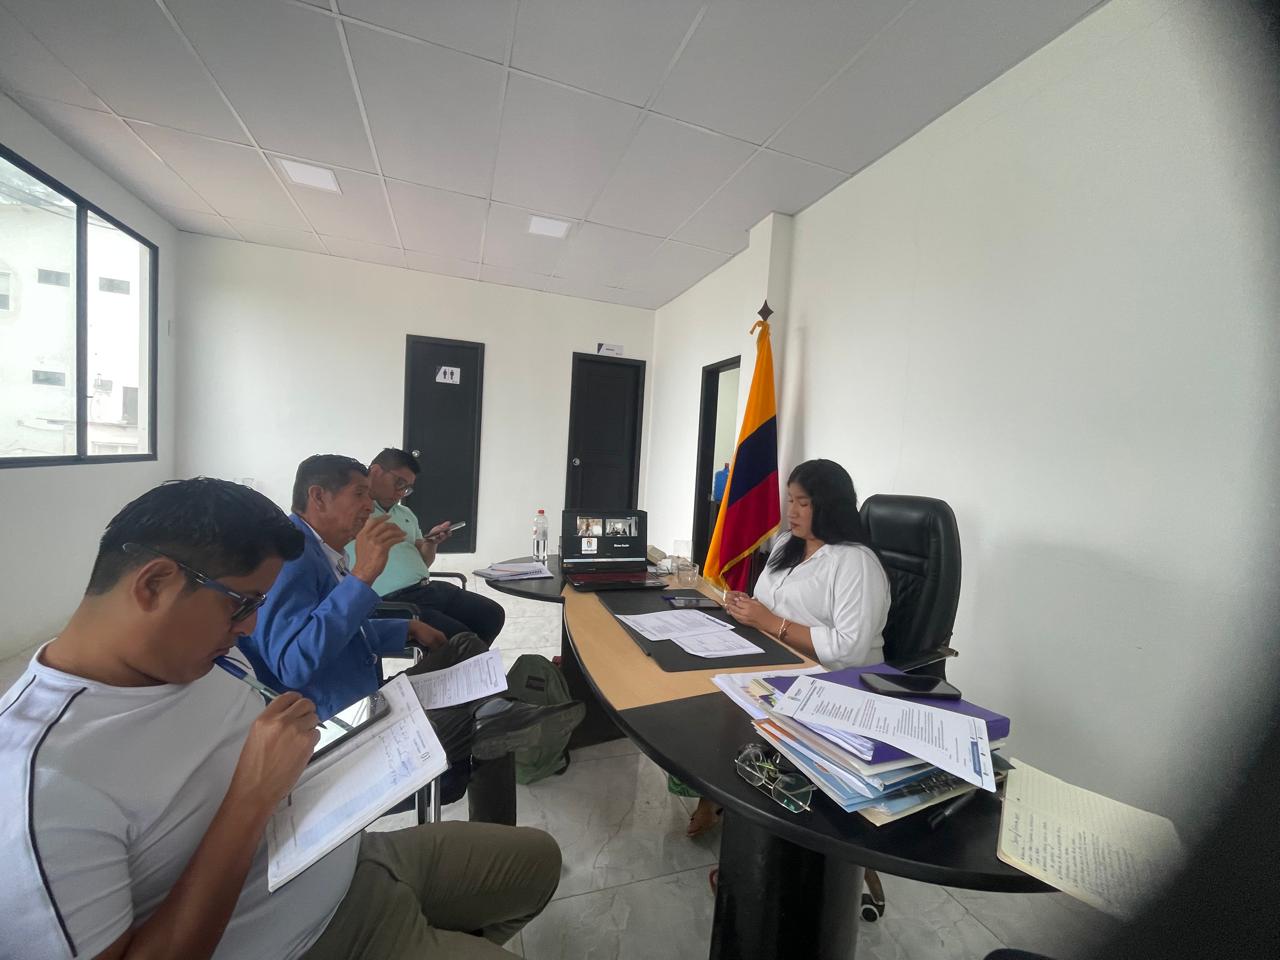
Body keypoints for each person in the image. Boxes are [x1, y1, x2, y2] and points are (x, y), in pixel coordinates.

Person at [0, 478, 560, 960]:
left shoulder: (205, 655)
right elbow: (294, 664)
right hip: (304, 940)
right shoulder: (42, 783)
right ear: (155, 584)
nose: (249, 628)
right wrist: (250, 798)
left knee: (538, 861)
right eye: (242, 604)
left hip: (349, 858)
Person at [238, 454, 582, 825]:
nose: (368, 505)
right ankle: (494, 759)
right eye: (359, 494)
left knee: (465, 645)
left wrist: (402, 629)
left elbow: (340, 630)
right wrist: (362, 577)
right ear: (318, 497)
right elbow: (292, 664)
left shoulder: (321, 552)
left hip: (365, 698)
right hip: (340, 725)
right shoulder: (292, 560)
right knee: (480, 732)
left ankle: (495, 712)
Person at [686, 458, 891, 838]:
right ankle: (714, 794)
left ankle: (749, 826)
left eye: (803, 503)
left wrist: (769, 622)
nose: (791, 511)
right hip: (775, 658)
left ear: (829, 506)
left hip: (835, 682)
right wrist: (747, 607)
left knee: (729, 716)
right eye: (790, 500)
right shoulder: (787, 544)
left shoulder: (855, 563)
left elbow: (848, 648)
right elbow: (770, 605)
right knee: (696, 694)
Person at [346, 447, 505, 645]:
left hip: (427, 589)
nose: (401, 493)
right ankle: (460, 659)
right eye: (399, 483)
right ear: (376, 471)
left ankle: (465, 661)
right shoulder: (356, 512)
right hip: (390, 602)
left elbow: (424, 562)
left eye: (407, 488)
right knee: (461, 638)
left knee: (491, 615)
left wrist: (431, 543)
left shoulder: (406, 514)